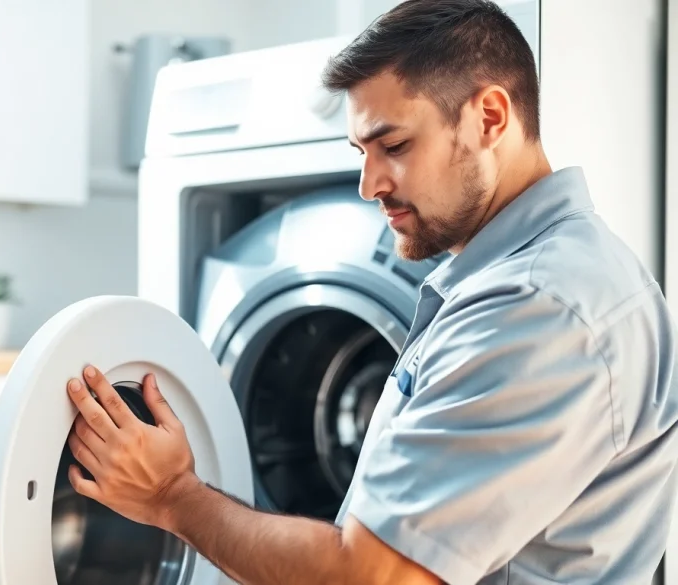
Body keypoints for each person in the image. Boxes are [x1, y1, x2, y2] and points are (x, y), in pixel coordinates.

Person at [63, 0, 678, 583]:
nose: (367, 184)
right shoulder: (514, 280)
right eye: (360, 151)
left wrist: (173, 497)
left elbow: (370, 576)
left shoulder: (541, 304)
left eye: (395, 146)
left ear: (491, 117)